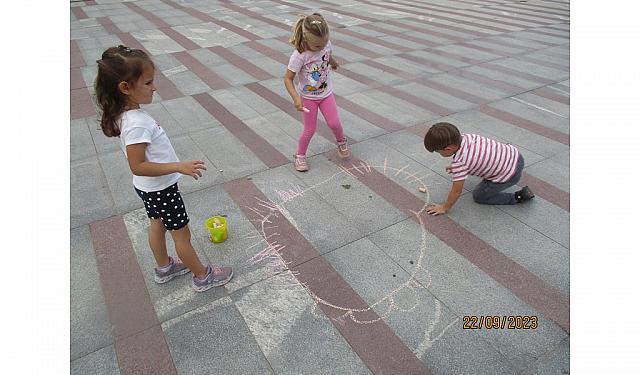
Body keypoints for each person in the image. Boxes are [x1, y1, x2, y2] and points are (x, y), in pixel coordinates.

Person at [94, 45, 232, 292]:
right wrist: (180, 166)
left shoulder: (127, 115)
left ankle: (164, 267)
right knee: (182, 236)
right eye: (148, 83)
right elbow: (138, 165)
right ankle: (203, 276)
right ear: (125, 88)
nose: (154, 87)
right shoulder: (136, 124)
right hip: (162, 189)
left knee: (156, 223)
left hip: (148, 190)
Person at [284, 13, 350, 172]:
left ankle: (341, 141)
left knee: (334, 123)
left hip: (326, 94)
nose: (321, 47)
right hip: (308, 98)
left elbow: (327, 54)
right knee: (310, 129)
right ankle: (300, 156)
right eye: (317, 46)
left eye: (324, 43)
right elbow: (288, 78)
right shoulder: (299, 55)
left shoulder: (325, 44)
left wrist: (332, 62)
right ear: (306, 39)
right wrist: (295, 98)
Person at [423, 122, 534, 215]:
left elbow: (456, 191)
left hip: (509, 175)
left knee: (479, 196)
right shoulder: (467, 137)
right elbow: (475, 155)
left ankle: (517, 197)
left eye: (438, 152)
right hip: (515, 156)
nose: (438, 153)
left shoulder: (460, 163)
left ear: (448, 149)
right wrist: (458, 168)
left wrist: (444, 207)